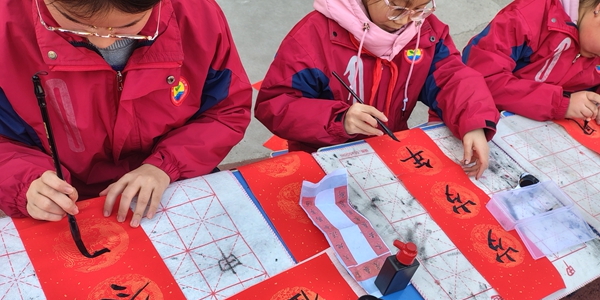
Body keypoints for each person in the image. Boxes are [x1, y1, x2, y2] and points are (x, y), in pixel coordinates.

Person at [0, 0, 252, 227]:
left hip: (172, 180)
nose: (103, 40)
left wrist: (167, 165)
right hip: (65, 200)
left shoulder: (198, 17)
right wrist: (25, 183)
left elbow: (226, 109)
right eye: (78, 25)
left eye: (128, 26)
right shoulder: (6, 28)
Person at [254, 0, 499, 179]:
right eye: (397, 8)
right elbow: (275, 103)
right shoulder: (313, 37)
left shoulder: (426, 32)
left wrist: (474, 121)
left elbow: (452, 78)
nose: (407, 19)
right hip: (322, 158)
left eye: (420, 7)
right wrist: (340, 119)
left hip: (389, 151)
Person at [462, 0, 600, 124]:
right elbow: (481, 77)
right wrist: (560, 103)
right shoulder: (528, 16)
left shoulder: (592, 46)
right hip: (484, 120)